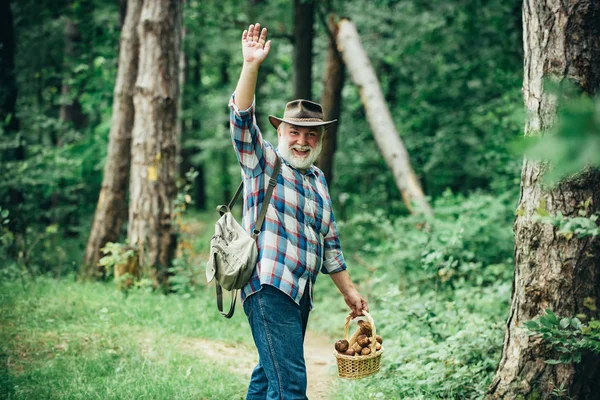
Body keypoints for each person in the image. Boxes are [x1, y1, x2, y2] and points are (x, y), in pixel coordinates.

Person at [229, 23, 368, 400]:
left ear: (320, 139)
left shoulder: (318, 180)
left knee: (267, 376)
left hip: (300, 293)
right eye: (295, 132)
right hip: (269, 285)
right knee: (290, 386)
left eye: (312, 135)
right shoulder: (264, 163)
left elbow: (330, 244)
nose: (302, 141)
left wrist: (350, 292)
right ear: (280, 132)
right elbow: (242, 123)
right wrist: (251, 65)